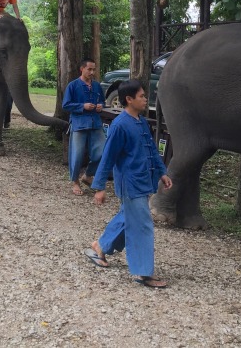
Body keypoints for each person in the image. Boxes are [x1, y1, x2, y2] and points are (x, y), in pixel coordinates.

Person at [84, 79, 173, 288]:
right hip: (130, 184)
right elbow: (108, 157)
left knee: (128, 218)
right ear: (129, 99)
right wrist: (99, 187)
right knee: (142, 225)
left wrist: (162, 172)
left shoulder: (141, 122)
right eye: (142, 96)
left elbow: (151, 150)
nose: (145, 99)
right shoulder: (120, 125)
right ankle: (143, 272)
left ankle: (100, 246)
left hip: (144, 181)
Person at [62, 58, 106, 196]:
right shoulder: (73, 86)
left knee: (102, 151)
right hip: (79, 123)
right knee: (77, 154)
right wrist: (82, 106)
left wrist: (101, 107)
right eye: (89, 69)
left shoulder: (97, 86)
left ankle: (88, 175)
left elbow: (103, 102)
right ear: (82, 69)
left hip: (95, 123)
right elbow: (66, 105)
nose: (92, 72)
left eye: (94, 69)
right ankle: (75, 181)